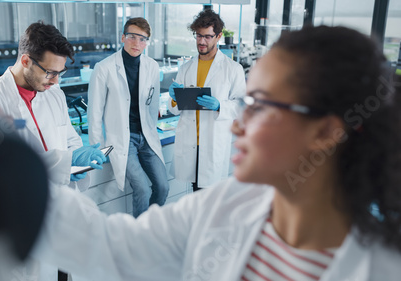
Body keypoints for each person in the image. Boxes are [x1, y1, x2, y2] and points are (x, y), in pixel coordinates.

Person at [32, 26, 401, 280]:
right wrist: (18, 176)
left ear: (324, 131)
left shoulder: (386, 268)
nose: (239, 124)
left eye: (258, 105)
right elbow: (110, 246)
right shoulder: (227, 205)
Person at [0, 21, 105, 281]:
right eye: (50, 72)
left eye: (60, 72)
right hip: (25, 216)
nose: (56, 80)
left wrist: (77, 165)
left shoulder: (53, 92)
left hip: (62, 207)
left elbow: (69, 137)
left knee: (64, 271)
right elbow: (7, 169)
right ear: (26, 60)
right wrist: (66, 161)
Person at [88, 17, 169, 217]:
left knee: (163, 187)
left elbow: (153, 105)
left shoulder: (152, 66)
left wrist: (152, 129)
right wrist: (97, 148)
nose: (137, 43)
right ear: (123, 37)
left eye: (143, 39)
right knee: (142, 188)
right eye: (132, 37)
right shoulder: (104, 68)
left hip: (147, 137)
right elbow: (94, 112)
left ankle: (148, 226)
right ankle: (136, 238)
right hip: (123, 140)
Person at [168, 9, 246, 191]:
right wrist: (174, 99)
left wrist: (220, 106)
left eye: (207, 37)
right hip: (190, 143)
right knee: (196, 194)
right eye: (198, 36)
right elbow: (174, 110)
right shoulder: (186, 68)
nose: (201, 42)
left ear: (218, 36)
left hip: (212, 142)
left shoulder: (233, 69)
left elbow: (241, 106)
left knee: (208, 196)